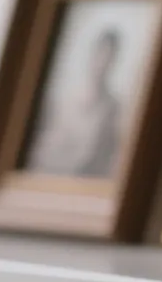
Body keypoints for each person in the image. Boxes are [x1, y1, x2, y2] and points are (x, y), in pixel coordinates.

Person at [26, 29, 125, 179]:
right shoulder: (63, 100)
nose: (103, 63)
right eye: (101, 55)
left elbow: (108, 160)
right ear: (92, 55)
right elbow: (43, 150)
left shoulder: (114, 109)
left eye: (109, 57)